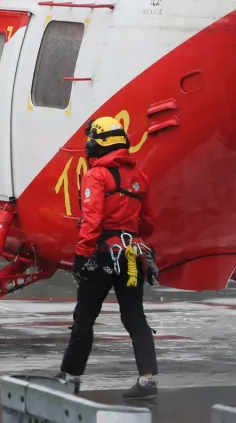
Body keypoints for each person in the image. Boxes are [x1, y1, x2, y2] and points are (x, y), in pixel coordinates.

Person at [58, 117, 159, 400]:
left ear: (97, 145)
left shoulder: (96, 176)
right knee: (134, 316)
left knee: (85, 317)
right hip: (131, 255)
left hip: (102, 255)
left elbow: (92, 220)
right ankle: (148, 380)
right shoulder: (140, 177)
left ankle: (70, 377)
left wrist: (81, 256)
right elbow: (149, 221)